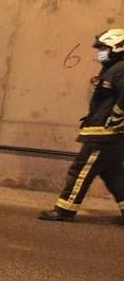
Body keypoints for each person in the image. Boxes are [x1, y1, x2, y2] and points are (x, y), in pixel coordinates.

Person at [40, 29, 124, 223]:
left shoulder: (120, 68)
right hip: (107, 133)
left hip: (103, 133)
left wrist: (116, 117)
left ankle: (64, 210)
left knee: (80, 170)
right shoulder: (113, 68)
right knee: (113, 174)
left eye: (104, 48)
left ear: (118, 47)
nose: (100, 52)